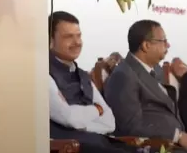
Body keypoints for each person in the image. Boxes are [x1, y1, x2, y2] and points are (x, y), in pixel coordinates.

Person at [47, 11, 136, 153]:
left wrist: (82, 124)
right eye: (68, 37)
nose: (77, 42)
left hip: (97, 141)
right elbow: (69, 117)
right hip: (72, 146)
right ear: (50, 41)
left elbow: (109, 121)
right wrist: (97, 110)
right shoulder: (43, 74)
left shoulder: (83, 76)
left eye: (78, 36)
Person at [103, 20, 187, 152]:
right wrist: (177, 135)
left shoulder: (154, 70)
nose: (168, 45)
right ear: (146, 45)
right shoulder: (123, 76)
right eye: (163, 41)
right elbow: (130, 126)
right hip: (153, 147)